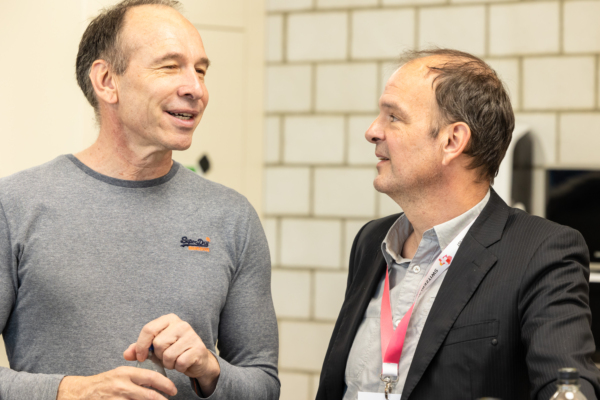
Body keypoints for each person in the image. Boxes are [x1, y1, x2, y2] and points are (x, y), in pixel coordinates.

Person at [0, 1, 279, 399]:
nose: (196, 89)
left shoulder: (233, 218)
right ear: (107, 81)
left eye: (200, 70)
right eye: (170, 66)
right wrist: (70, 391)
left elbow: (264, 384)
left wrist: (210, 370)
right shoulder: (14, 206)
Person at [316, 48, 600, 400]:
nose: (373, 131)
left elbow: (567, 389)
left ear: (452, 141)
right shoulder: (371, 241)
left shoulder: (540, 253)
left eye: (393, 117)